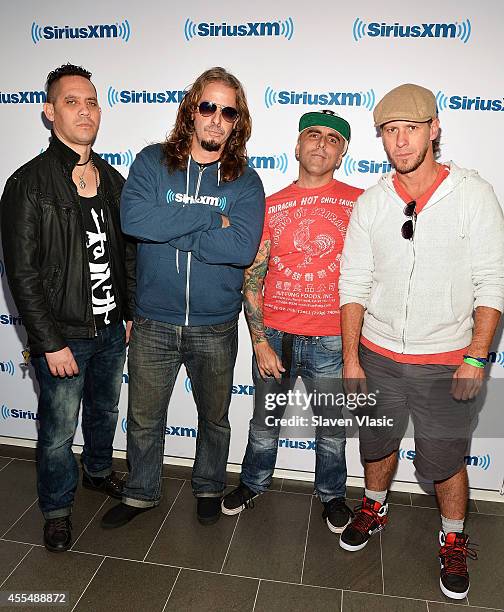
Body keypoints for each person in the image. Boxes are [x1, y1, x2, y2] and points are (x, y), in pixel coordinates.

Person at [338, 83, 504, 599]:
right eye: (391, 131)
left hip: (446, 362)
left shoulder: (472, 194)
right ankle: (374, 505)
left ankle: (452, 537)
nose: (402, 141)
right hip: (379, 356)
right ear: (382, 139)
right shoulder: (372, 202)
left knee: (446, 460)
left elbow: (492, 280)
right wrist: (351, 359)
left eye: (412, 128)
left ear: (435, 129)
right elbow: (353, 284)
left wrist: (477, 356)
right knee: (376, 444)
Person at [101, 67, 265, 529]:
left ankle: (210, 486)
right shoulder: (153, 163)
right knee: (144, 418)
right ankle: (140, 493)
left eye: (227, 111)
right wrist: (211, 221)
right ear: (192, 110)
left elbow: (243, 249)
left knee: (215, 418)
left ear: (237, 122)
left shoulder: (245, 182)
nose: (216, 118)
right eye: (207, 106)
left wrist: (173, 223)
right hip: (153, 319)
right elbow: (135, 222)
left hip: (215, 323)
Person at [0, 63, 136, 552]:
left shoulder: (114, 181)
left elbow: (128, 254)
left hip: (109, 329)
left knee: (104, 411)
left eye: (92, 102)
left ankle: (98, 473)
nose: (85, 110)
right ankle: (56, 509)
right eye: (73, 102)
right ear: (49, 112)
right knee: (58, 432)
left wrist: (129, 314)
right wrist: (49, 340)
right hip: (63, 335)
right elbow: (23, 275)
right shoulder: (28, 185)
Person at [221, 110, 364, 533]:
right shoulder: (270, 205)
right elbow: (253, 275)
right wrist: (260, 341)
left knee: (332, 431)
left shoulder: (360, 203)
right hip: (276, 337)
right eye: (313, 136)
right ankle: (252, 483)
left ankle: (333, 496)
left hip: (333, 341)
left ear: (341, 155)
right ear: (297, 147)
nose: (322, 144)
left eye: (333, 140)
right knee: (264, 423)